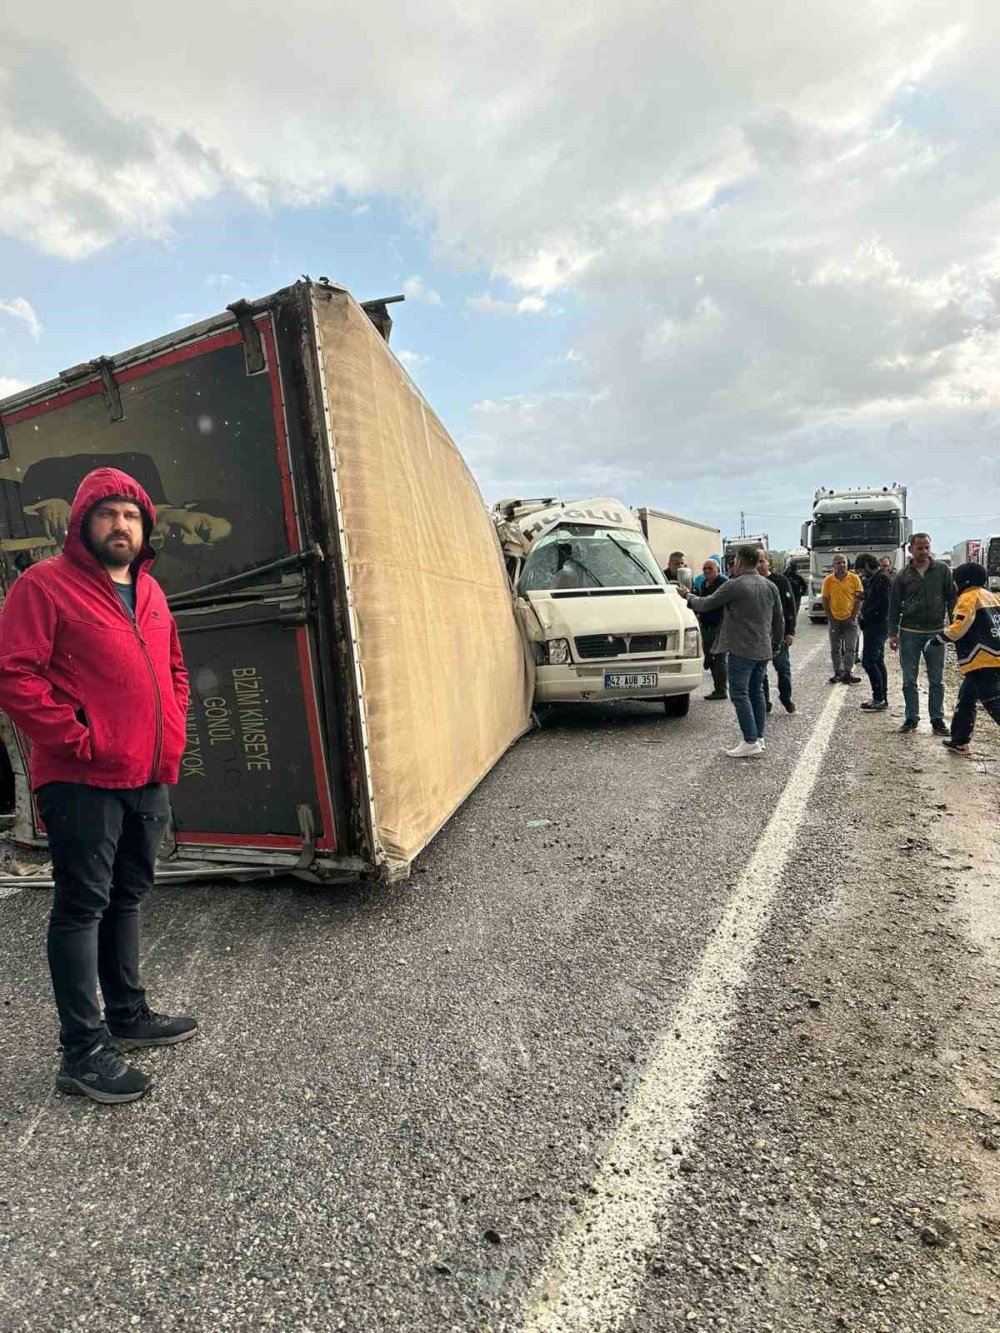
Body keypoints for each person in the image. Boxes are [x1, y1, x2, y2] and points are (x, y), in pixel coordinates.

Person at [0, 468, 196, 1104]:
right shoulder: (44, 586)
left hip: (148, 772)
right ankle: (82, 1052)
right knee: (82, 904)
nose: (121, 525)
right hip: (81, 776)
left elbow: (173, 669)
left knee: (129, 895)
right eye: (108, 513)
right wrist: (79, 736)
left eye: (132, 516)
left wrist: (174, 729)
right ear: (82, 523)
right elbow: (13, 674)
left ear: (146, 529)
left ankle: (128, 1015)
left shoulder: (151, 591)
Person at [680, 545, 783, 757]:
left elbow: (705, 604)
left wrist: (687, 595)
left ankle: (749, 740)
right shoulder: (769, 585)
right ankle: (759, 737)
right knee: (757, 692)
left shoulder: (735, 585)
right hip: (763, 648)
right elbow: (778, 618)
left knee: (739, 693)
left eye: (735, 560)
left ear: (740, 561)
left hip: (741, 648)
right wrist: (776, 643)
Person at [888, 532, 956, 735]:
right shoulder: (903, 575)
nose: (924, 551)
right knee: (909, 679)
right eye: (920, 548)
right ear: (911, 549)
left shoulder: (942, 570)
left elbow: (952, 600)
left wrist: (954, 629)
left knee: (937, 679)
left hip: (936, 632)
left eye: (927, 547)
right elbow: (894, 606)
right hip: (909, 633)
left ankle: (937, 719)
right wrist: (893, 633)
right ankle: (911, 718)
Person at [935, 563, 1000, 752]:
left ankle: (960, 739)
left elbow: (959, 627)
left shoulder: (967, 598)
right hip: (995, 655)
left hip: (981, 658)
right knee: (966, 698)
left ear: (962, 581)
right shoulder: (992, 597)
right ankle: (960, 739)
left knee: (994, 702)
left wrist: (938, 639)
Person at [758, 552, 796, 713]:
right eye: (756, 562)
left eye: (762, 561)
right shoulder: (750, 583)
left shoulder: (780, 581)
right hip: (759, 635)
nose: (759, 565)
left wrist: (790, 631)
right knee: (761, 672)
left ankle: (786, 697)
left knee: (783, 668)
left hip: (778, 634)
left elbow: (789, 606)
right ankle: (764, 702)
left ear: (769, 563)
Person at [855, 553, 891, 712]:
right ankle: (882, 697)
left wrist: (865, 615)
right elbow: (876, 599)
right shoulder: (877, 579)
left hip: (877, 625)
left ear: (868, 565)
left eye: (862, 570)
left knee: (869, 661)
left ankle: (879, 697)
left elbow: (882, 604)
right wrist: (865, 596)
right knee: (877, 661)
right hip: (877, 625)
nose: (863, 574)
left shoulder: (881, 579)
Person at [822, 554, 863, 684]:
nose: (841, 565)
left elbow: (859, 598)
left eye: (843, 562)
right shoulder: (828, 580)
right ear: (833, 565)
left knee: (850, 647)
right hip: (835, 619)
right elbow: (825, 599)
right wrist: (830, 617)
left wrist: (853, 616)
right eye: (838, 563)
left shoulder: (854, 578)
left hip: (850, 620)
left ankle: (848, 672)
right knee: (835, 648)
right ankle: (837, 672)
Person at [695, 558, 729, 699]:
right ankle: (718, 686)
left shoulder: (724, 583)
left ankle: (721, 689)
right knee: (709, 655)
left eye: (710, 568)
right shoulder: (704, 584)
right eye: (705, 568)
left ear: (718, 569)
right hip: (706, 625)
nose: (707, 571)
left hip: (720, 625)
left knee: (719, 657)